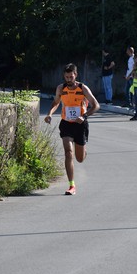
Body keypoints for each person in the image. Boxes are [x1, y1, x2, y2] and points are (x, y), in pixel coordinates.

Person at [44, 63, 100, 195]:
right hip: (66, 123)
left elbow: (96, 105)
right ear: (64, 76)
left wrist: (84, 116)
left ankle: (83, 150)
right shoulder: (61, 88)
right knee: (69, 152)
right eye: (66, 77)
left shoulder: (82, 88)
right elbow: (56, 102)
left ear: (76, 75)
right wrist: (49, 114)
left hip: (80, 124)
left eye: (71, 76)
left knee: (79, 158)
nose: (69, 79)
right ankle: (71, 185)